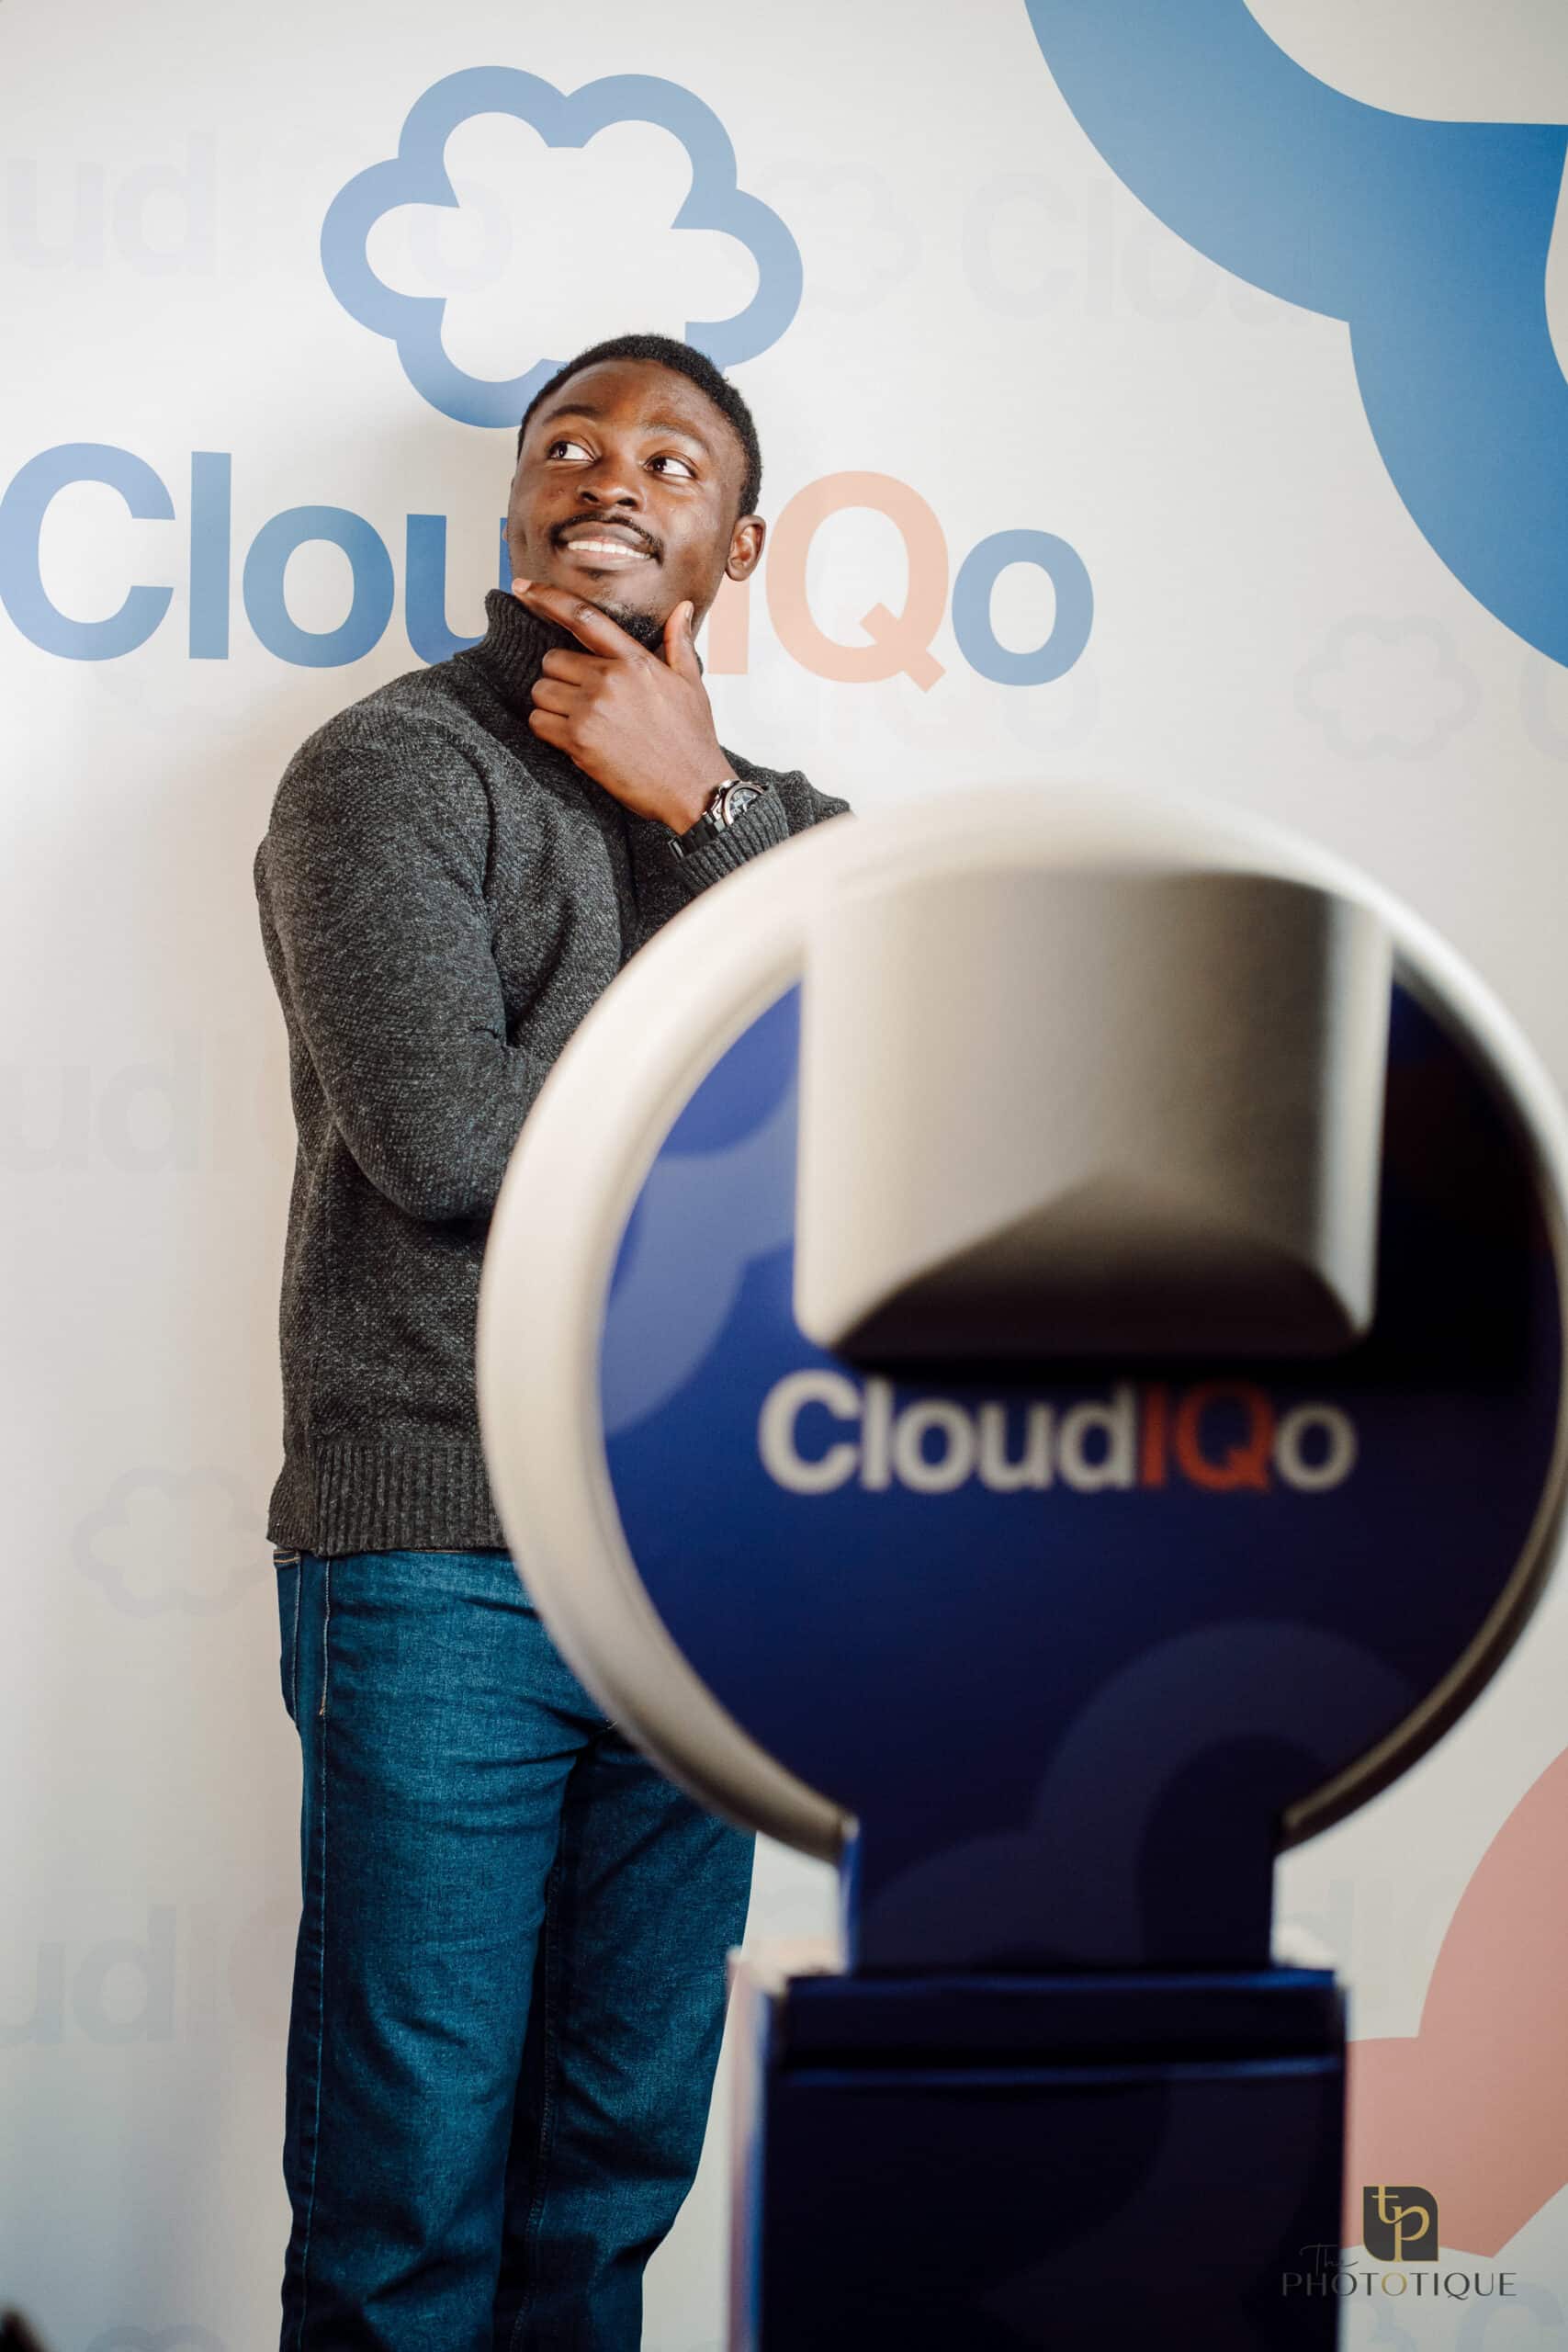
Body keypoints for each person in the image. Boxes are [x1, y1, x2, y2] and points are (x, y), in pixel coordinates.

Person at [254, 330, 852, 2350]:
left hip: (708, 1572)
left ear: (735, 540)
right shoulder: (388, 773)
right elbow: (450, 1145)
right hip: (441, 1554)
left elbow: (871, 1147)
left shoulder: (791, 827)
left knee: (605, 2189)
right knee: (406, 2203)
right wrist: (714, 910)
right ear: (517, 507)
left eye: (669, 457)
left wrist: (706, 809)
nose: (610, 472)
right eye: (569, 443)